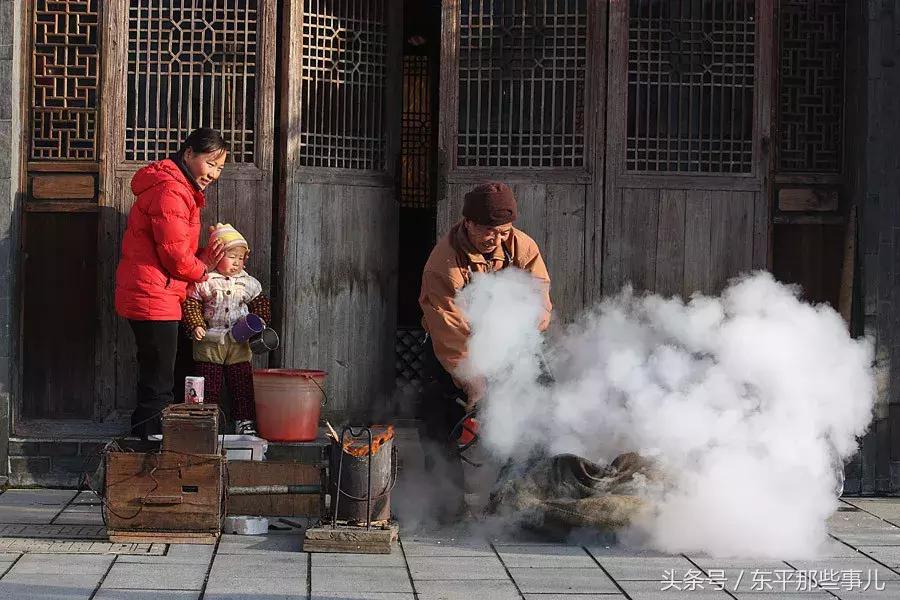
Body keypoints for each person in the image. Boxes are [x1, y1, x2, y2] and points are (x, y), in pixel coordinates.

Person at [418, 181, 552, 517]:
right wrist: (472, 379)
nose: (495, 238)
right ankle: (446, 504)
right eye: (487, 231)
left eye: (502, 231)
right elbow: (447, 326)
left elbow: (538, 302)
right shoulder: (443, 262)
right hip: (452, 343)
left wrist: (515, 351)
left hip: (508, 342)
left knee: (540, 400)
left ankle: (517, 496)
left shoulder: (523, 247)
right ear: (468, 223)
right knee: (436, 411)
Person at [114, 128, 228, 437]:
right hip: (154, 297)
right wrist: (205, 266)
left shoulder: (178, 187)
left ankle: (151, 447)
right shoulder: (172, 191)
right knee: (158, 385)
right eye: (211, 163)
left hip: (159, 295)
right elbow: (176, 258)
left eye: (219, 168)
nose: (214, 174)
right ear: (189, 154)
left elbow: (175, 250)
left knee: (163, 377)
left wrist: (207, 253)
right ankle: (146, 453)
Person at [181, 223, 271, 435]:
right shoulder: (206, 281)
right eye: (231, 257)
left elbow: (260, 302)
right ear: (216, 256)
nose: (236, 262)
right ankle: (206, 421)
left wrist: (260, 321)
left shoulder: (248, 282)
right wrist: (196, 324)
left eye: (240, 258)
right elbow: (191, 303)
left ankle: (244, 420)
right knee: (208, 382)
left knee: (241, 382)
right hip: (210, 339)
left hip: (239, 341)